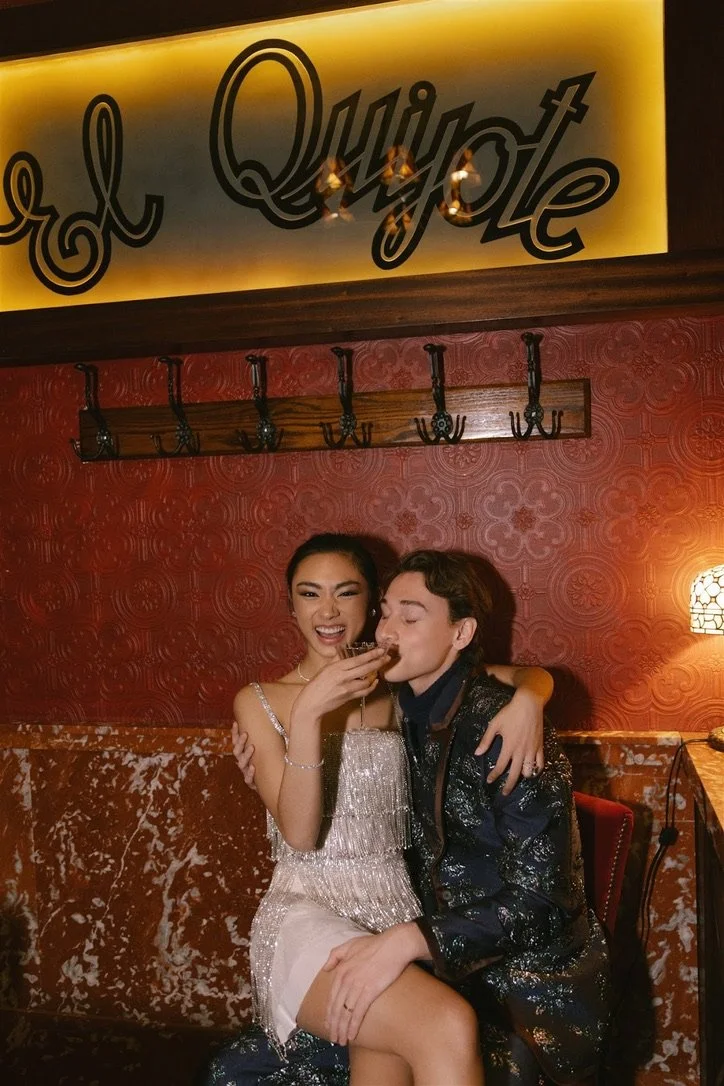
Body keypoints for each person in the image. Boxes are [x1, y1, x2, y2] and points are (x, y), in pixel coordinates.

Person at [203, 534, 554, 1086]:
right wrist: (309, 715)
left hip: (395, 907)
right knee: (444, 1023)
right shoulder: (260, 700)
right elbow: (297, 833)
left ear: (370, 606)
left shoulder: (395, 684)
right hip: (306, 908)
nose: (328, 611)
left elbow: (511, 674)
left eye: (347, 593)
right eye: (309, 594)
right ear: (290, 605)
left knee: (389, 1060)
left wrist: (533, 699)